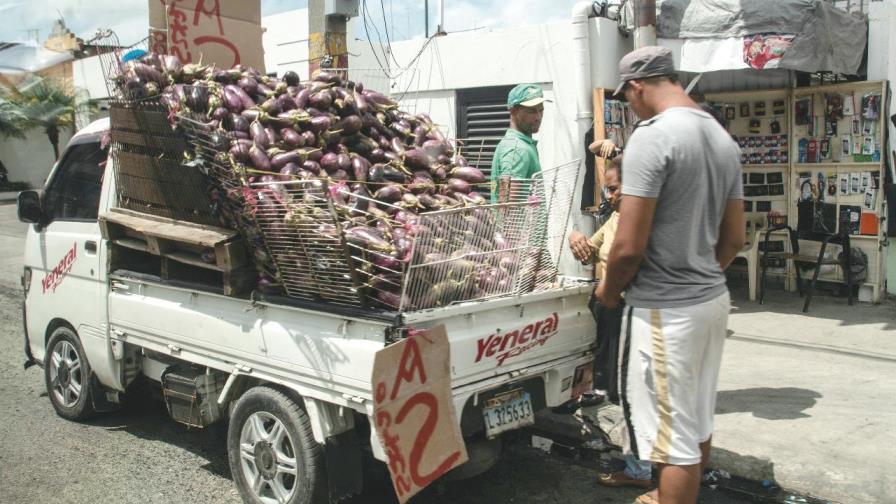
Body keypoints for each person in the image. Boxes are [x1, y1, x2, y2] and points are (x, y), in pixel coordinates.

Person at [596, 46, 745, 504]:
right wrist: (699, 275)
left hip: (666, 308)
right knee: (696, 421)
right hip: (711, 300)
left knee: (671, 437)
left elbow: (628, 247)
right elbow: (735, 238)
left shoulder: (653, 136)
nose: (629, 105)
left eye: (627, 97)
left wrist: (608, 293)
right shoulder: (721, 137)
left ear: (637, 87)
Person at [568, 155, 654, 491]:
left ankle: (640, 470)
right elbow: (592, 251)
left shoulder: (644, 220)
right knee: (627, 392)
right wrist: (577, 239)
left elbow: (633, 261)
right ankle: (643, 464)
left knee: (636, 393)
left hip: (633, 311)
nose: (611, 196)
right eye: (608, 190)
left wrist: (611, 287)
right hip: (614, 309)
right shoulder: (617, 216)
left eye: (616, 189)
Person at [490, 83, 547, 202]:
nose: (538, 117)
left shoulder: (518, 143)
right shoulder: (517, 149)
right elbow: (507, 205)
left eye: (541, 110)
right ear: (513, 111)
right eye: (531, 111)